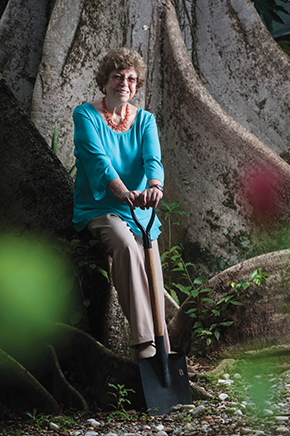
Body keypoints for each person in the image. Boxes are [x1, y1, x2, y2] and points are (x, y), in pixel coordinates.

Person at [72, 47, 170, 359]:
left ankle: (165, 351)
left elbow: (152, 159)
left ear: (136, 84)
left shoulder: (145, 120)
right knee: (126, 246)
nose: (124, 83)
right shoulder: (85, 115)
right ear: (105, 81)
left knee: (151, 262)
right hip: (101, 206)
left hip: (139, 208)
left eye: (130, 78)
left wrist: (154, 186)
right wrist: (122, 192)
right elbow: (97, 161)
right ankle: (144, 347)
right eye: (117, 76)